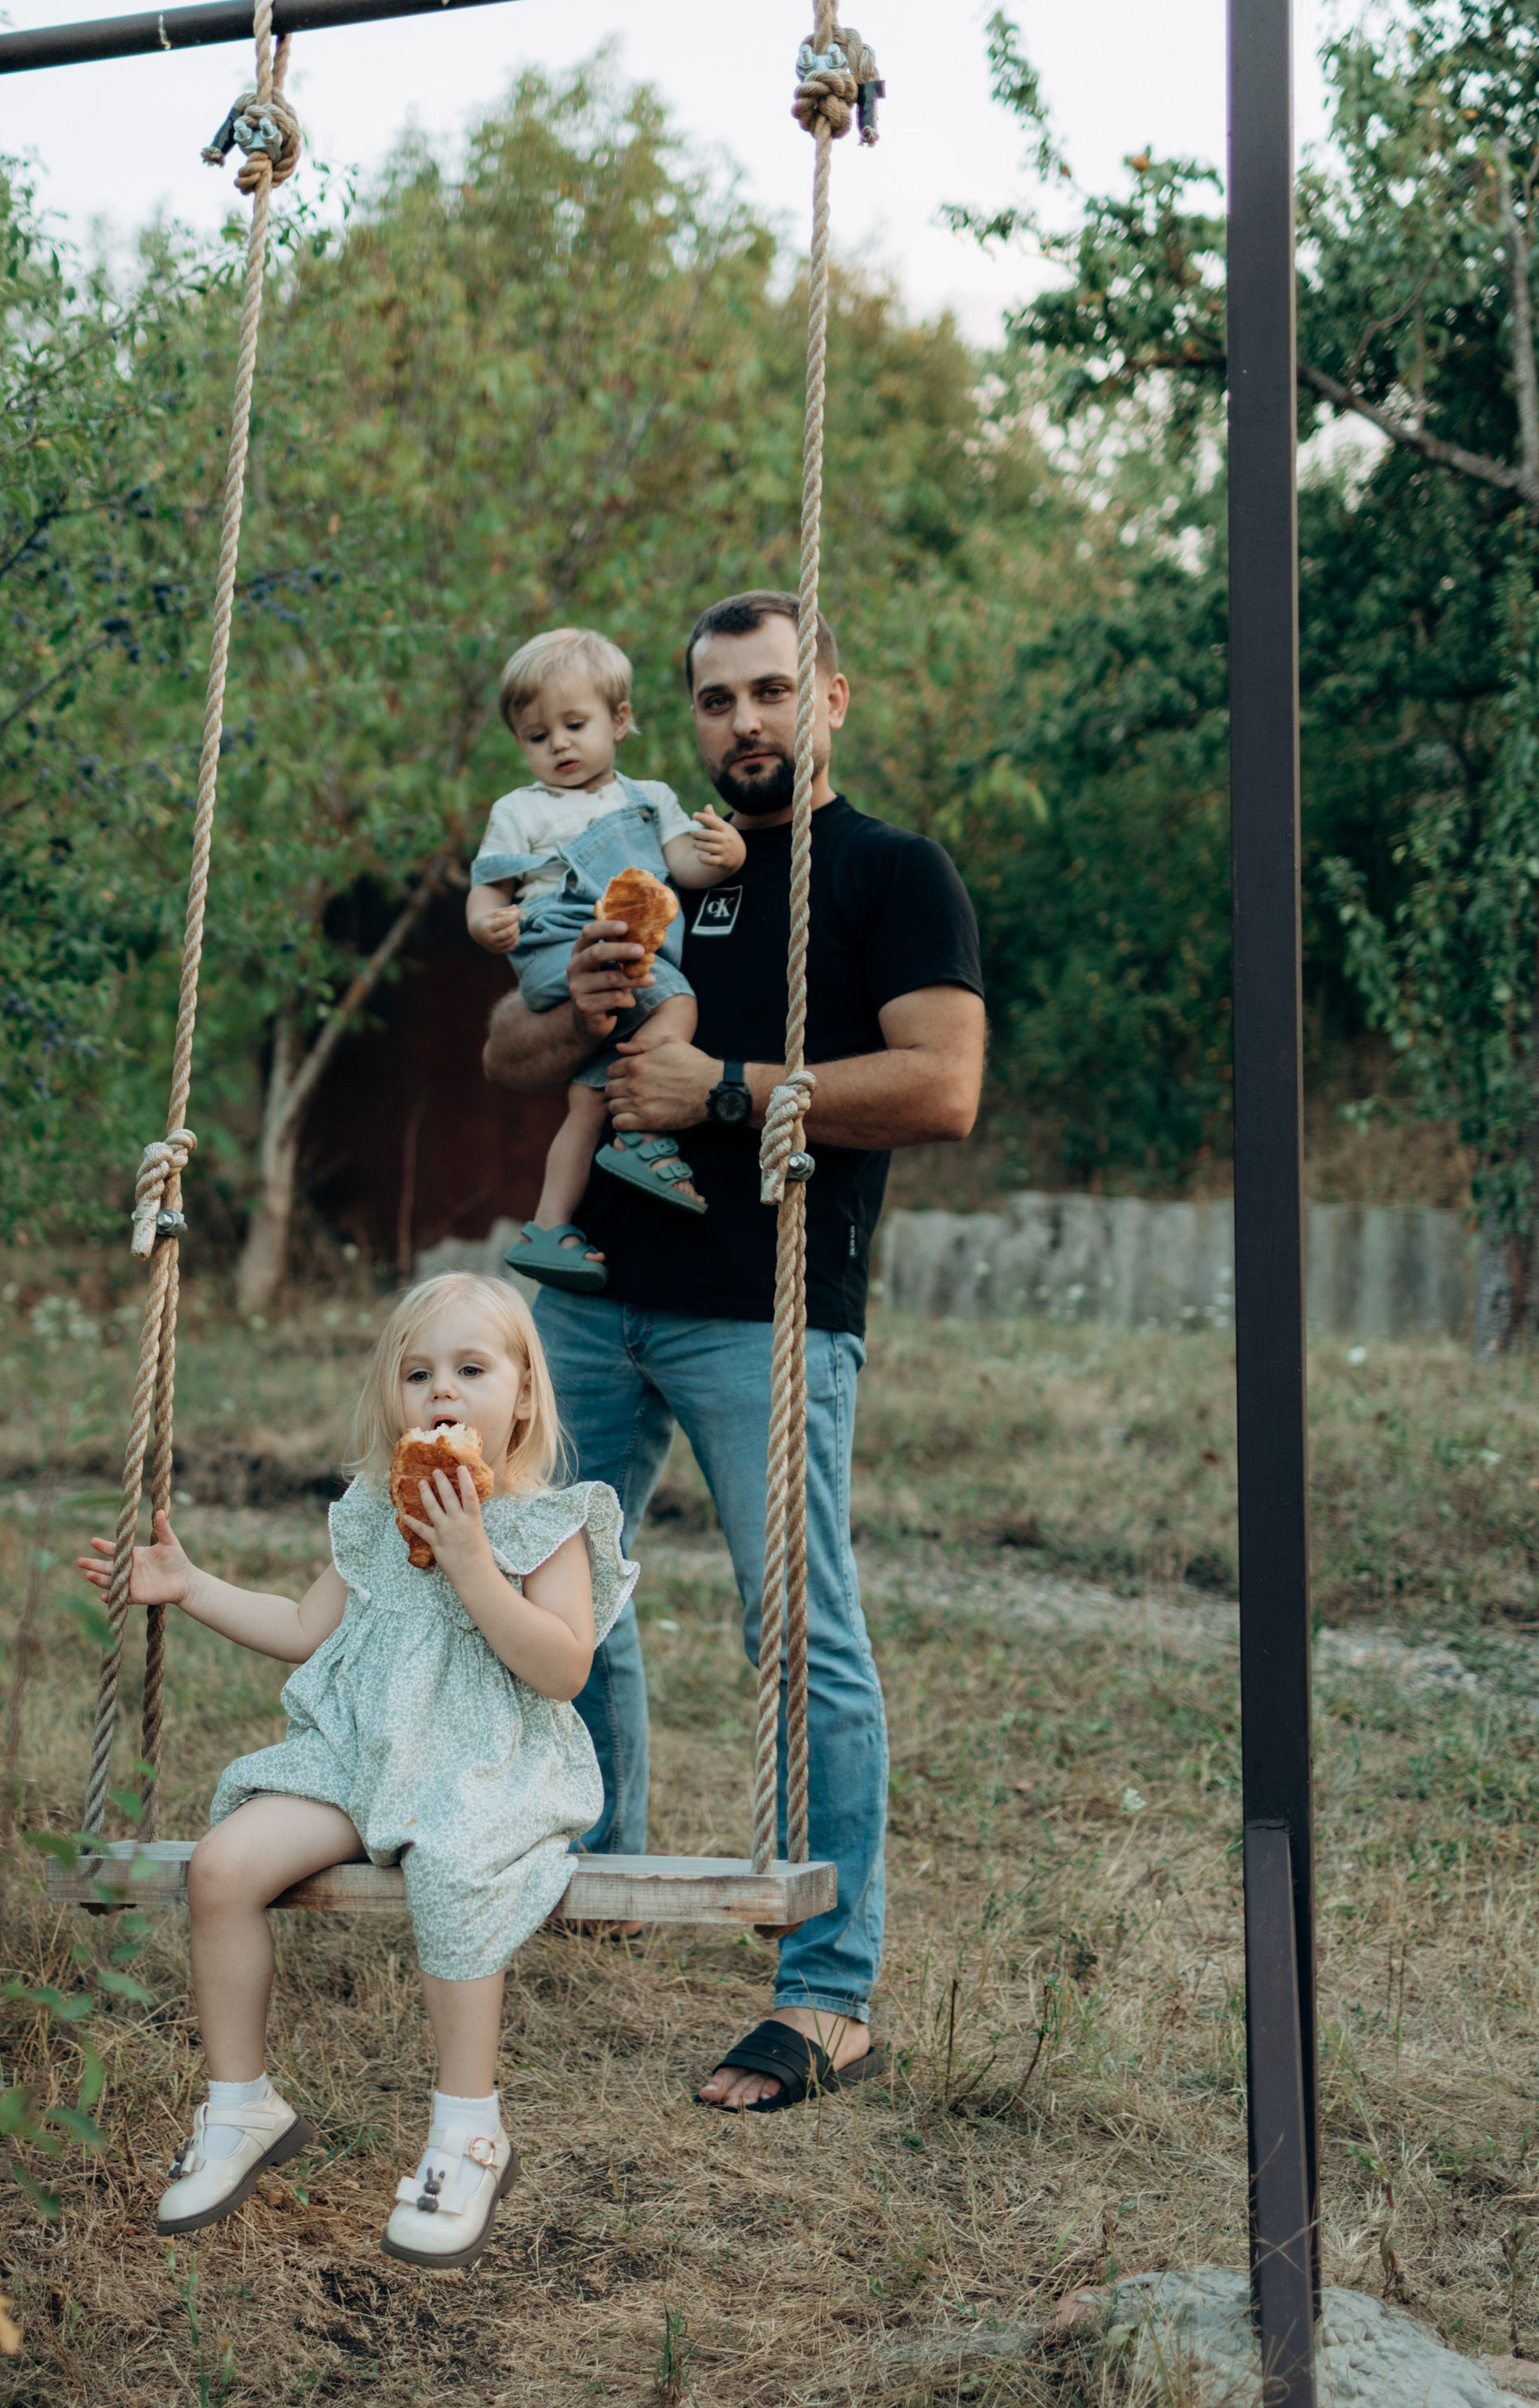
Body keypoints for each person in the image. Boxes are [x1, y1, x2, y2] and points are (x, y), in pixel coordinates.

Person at [480, 590, 985, 2113]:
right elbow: (509, 1054)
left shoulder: (896, 874)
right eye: (718, 700)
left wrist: (727, 1086)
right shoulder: (636, 847)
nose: (746, 723)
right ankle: (605, 1870)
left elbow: (942, 1086)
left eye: (773, 693)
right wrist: (577, 1007)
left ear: (832, 699)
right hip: (590, 1301)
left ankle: (829, 1997)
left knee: (801, 1632)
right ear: (682, 716)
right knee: (549, 1585)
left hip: (764, 1308)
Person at [78, 1276, 635, 2266]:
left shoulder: (551, 1524)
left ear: (523, 1400)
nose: (442, 1394)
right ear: (393, 1402)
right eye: (418, 1375)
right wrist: (191, 1587)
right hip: (359, 1758)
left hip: (485, 1768)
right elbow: (302, 1629)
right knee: (222, 1866)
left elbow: (562, 1666)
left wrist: (470, 1559)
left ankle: (468, 2132)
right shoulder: (378, 1515)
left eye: (471, 1370)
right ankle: (241, 2105)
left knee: (454, 1875)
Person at [465, 625, 745, 1294]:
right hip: (556, 939)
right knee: (679, 1003)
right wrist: (487, 926)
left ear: (620, 721)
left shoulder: (649, 799)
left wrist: (726, 856)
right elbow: (487, 890)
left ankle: (548, 1227)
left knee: (586, 1099)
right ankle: (642, 1136)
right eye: (537, 736)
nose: (558, 745)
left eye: (574, 724)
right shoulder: (521, 809)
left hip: (623, 941)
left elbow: (682, 867)